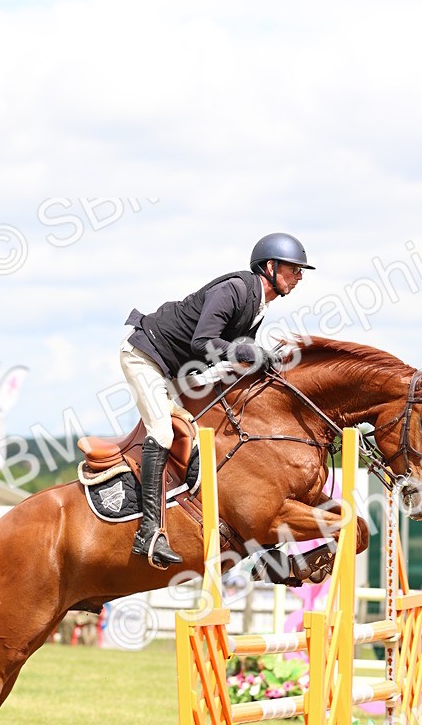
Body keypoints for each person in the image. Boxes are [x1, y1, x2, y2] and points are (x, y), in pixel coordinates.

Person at [121, 232, 315, 568]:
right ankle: (148, 532)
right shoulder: (236, 290)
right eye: (294, 270)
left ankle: (257, 548)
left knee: (207, 435)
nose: (298, 278)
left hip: (177, 369)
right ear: (270, 267)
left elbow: (236, 359)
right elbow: (203, 343)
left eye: (300, 272)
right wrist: (249, 351)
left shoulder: (258, 307)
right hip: (146, 358)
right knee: (165, 433)